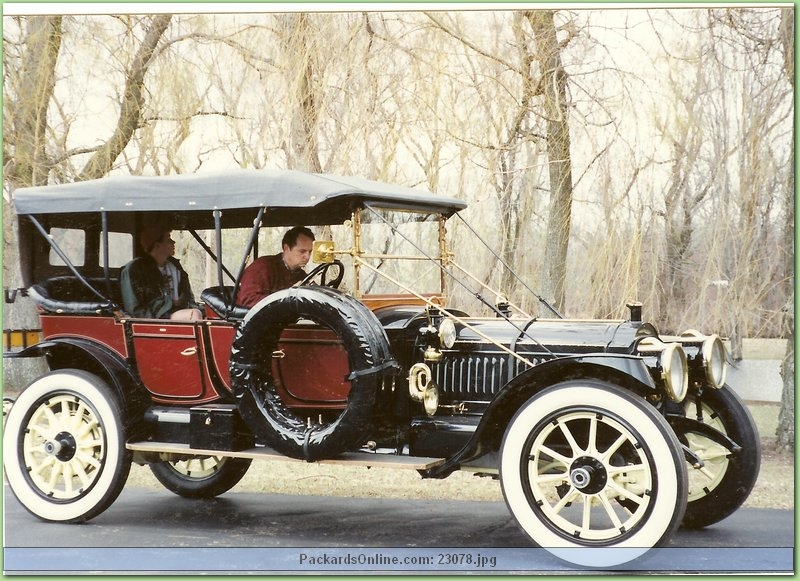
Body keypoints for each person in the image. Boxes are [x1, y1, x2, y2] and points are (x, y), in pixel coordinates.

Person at [120, 224, 202, 321]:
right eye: (168, 239)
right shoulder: (134, 269)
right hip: (157, 318)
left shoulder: (175, 267)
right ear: (157, 245)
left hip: (179, 311)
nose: (173, 242)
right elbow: (134, 308)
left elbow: (188, 296)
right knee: (194, 314)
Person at [236, 226, 315, 308]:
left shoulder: (301, 275)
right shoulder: (263, 267)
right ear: (286, 248)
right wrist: (287, 295)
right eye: (302, 251)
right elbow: (248, 300)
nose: (307, 256)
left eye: (310, 252)